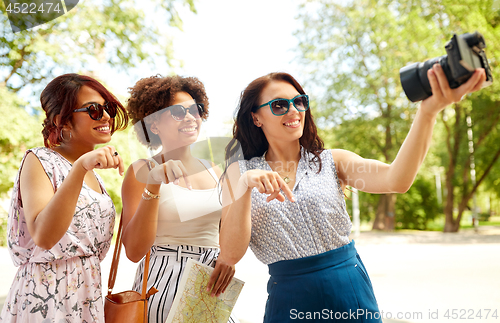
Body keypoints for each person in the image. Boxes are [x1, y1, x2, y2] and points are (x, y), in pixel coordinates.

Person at [214, 66, 486, 322]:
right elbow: (231, 254)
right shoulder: (239, 175)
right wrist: (245, 185)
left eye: (300, 101)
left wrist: (428, 111)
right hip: (290, 297)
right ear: (256, 117)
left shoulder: (333, 161)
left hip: (350, 288)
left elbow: (397, 179)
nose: (294, 110)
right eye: (279, 105)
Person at [0, 73, 128, 322]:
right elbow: (45, 237)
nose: (105, 116)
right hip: (44, 298)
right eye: (93, 109)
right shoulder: (40, 160)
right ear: (62, 120)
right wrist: (80, 167)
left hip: (87, 296)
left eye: (108, 108)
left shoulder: (96, 176)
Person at [121, 75, 238, 323]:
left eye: (195, 110)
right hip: (160, 286)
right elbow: (133, 251)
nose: (189, 117)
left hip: (209, 289)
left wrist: (228, 258)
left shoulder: (215, 171)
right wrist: (153, 183)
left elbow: (227, 236)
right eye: (176, 111)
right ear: (153, 124)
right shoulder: (141, 170)